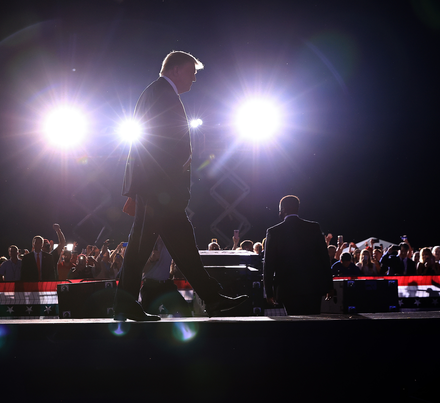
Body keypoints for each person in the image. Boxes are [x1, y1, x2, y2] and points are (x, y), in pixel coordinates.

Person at [116, 50, 248, 321]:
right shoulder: (162, 94)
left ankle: (209, 299)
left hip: (157, 191)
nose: (195, 79)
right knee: (163, 248)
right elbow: (159, 146)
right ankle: (212, 300)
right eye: (192, 72)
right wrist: (166, 190)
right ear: (175, 69)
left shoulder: (158, 93)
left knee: (163, 248)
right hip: (160, 192)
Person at [263, 195, 333, 315]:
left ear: (283, 209)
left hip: (288, 288)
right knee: (313, 323)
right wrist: (329, 285)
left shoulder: (274, 232)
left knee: (294, 324)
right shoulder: (313, 227)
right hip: (313, 287)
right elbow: (324, 258)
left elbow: (269, 264)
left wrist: (269, 292)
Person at [140, 237, 192, 316]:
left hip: (165, 285)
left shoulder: (169, 243)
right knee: (149, 316)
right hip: (150, 286)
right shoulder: (146, 244)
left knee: (185, 310)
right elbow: (142, 269)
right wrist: (151, 260)